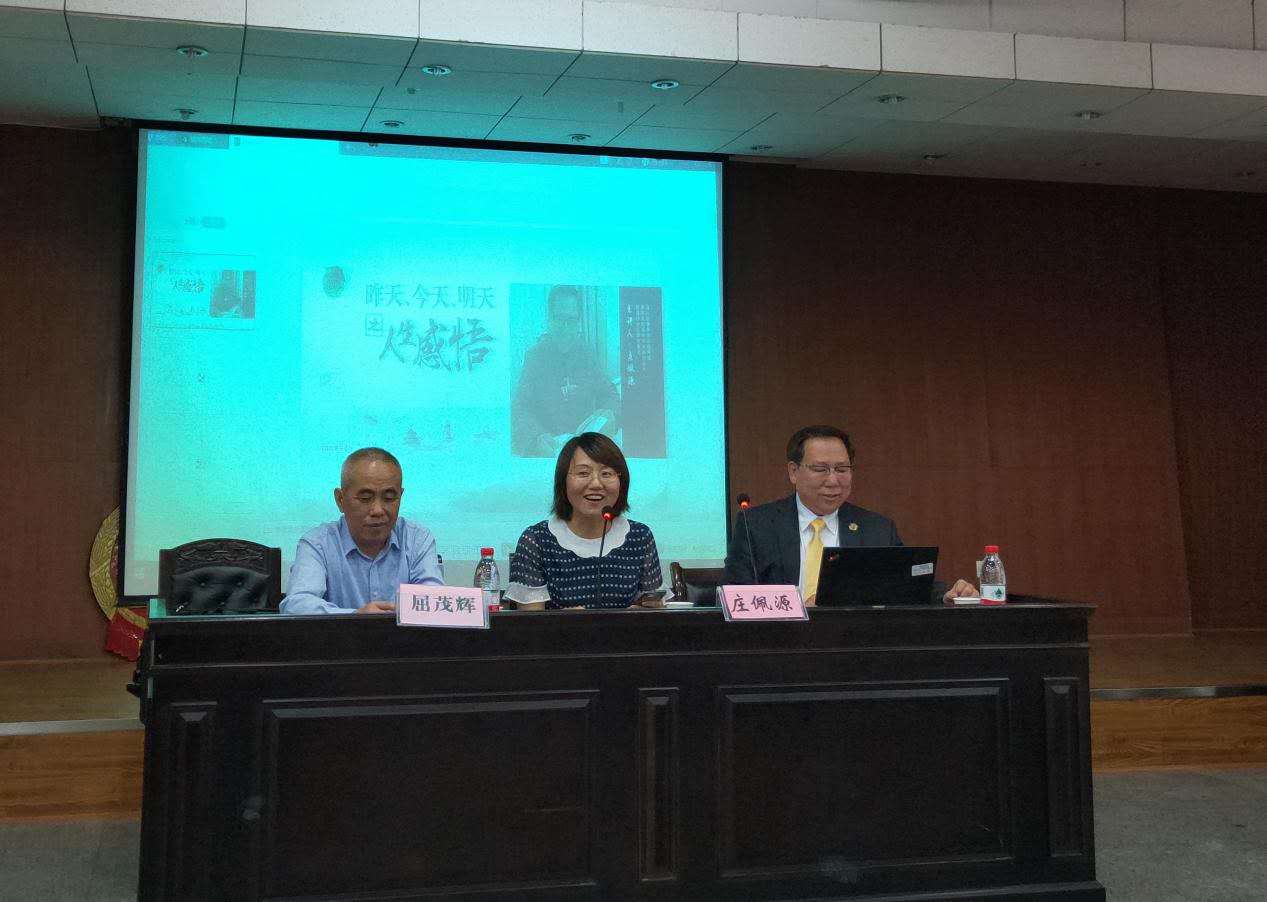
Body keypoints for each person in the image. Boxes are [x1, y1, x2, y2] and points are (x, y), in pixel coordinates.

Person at [723, 425, 977, 605]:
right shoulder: (757, 525)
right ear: (793, 472)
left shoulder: (876, 528)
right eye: (820, 469)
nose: (833, 480)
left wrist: (947, 595)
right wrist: (798, 606)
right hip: (780, 644)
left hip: (854, 646)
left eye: (842, 469)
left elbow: (909, 583)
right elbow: (736, 595)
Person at [506, 432, 663, 609]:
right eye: (583, 473)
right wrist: (564, 621)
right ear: (563, 481)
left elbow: (654, 610)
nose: (596, 484)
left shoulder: (640, 537)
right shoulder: (537, 540)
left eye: (606, 473)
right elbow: (530, 622)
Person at [281, 447, 441, 614]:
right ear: (340, 499)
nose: (378, 510)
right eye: (365, 498)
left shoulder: (417, 540)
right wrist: (355, 617)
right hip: (344, 632)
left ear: (400, 496)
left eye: (389, 498)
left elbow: (435, 604)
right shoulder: (318, 544)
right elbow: (296, 605)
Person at [511, 285, 620, 457]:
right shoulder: (535, 357)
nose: (565, 327)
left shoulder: (587, 355)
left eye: (572, 320)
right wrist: (536, 437)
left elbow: (610, 395)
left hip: (584, 450)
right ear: (549, 319)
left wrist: (610, 413)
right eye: (560, 319)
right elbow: (520, 408)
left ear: (578, 322)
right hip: (547, 451)